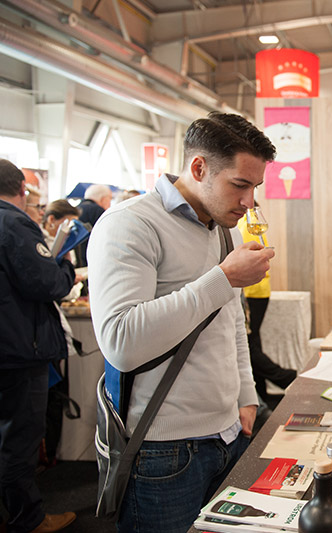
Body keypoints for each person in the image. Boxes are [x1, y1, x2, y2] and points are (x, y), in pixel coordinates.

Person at [88, 112, 277, 533]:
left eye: (255, 187)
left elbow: (230, 322)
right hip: (163, 449)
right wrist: (224, 278)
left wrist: (246, 394)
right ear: (198, 168)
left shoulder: (218, 228)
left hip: (228, 433)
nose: (250, 203)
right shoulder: (130, 224)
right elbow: (120, 342)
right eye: (240, 185)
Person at [0, 159, 77, 533]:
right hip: (16, 349)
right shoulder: (14, 224)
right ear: (22, 190)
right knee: (19, 438)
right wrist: (63, 266)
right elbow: (48, 283)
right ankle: (27, 519)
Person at [236, 206, 297, 407]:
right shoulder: (246, 223)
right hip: (258, 291)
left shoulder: (244, 224)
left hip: (251, 292)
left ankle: (287, 377)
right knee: (253, 342)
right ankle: (260, 395)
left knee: (247, 344)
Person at [74, 184, 112, 267]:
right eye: (110, 198)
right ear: (103, 199)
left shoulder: (76, 209)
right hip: (92, 260)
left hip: (79, 259)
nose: (110, 202)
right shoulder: (98, 211)